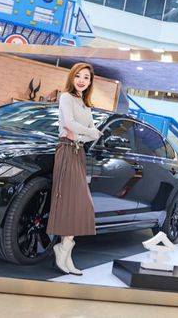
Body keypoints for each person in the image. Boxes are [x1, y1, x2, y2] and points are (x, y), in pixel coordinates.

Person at [46, 63, 102, 276]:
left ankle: (65, 249)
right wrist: (87, 133)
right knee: (71, 202)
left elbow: (91, 134)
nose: (81, 80)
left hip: (78, 153)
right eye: (78, 76)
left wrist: (83, 134)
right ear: (72, 77)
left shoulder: (85, 104)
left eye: (86, 77)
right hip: (67, 151)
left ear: (90, 82)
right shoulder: (66, 98)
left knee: (80, 205)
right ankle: (63, 252)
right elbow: (69, 124)